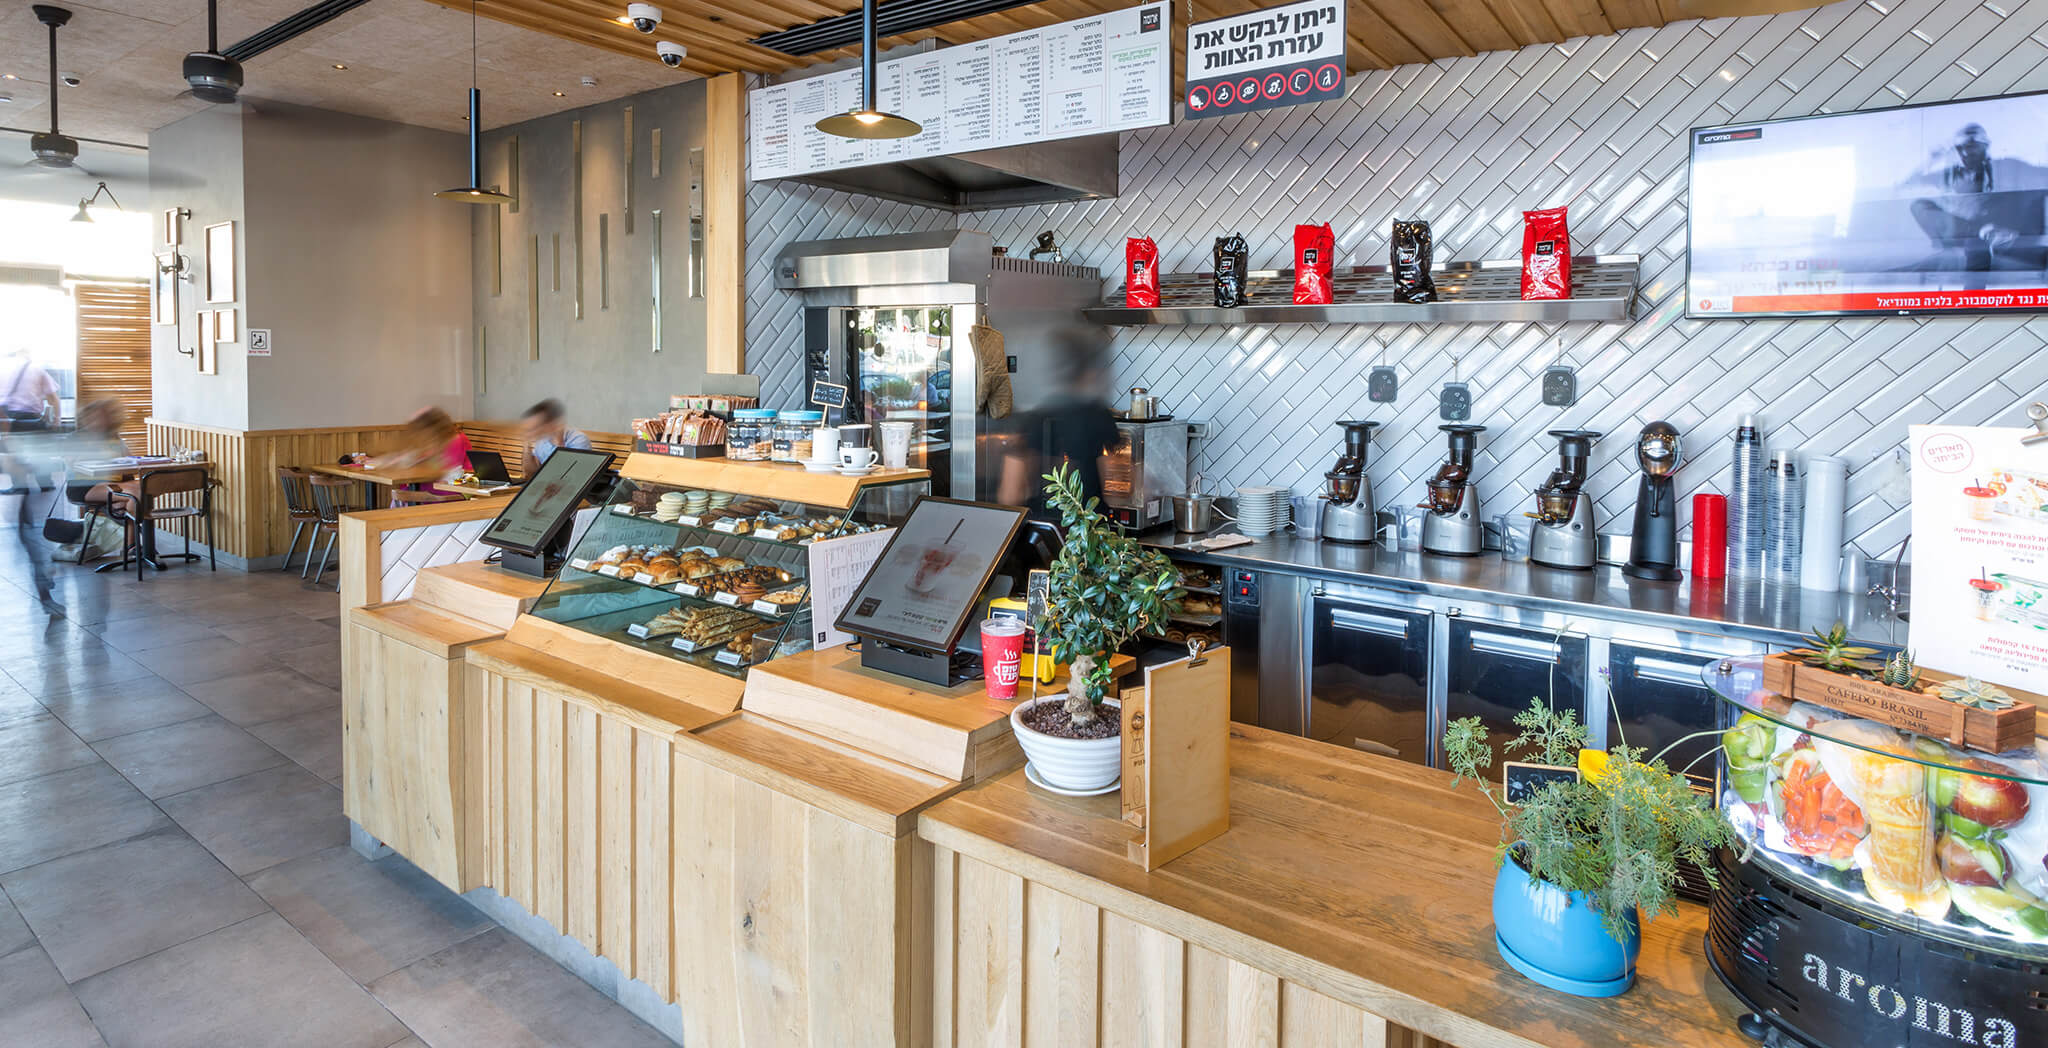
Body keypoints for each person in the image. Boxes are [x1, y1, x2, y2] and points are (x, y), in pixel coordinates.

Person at [996, 329, 1121, 518]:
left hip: (1043, 532)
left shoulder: (1034, 419)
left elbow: (1010, 495)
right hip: (1088, 532)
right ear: (1086, 369)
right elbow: (1115, 491)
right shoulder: (1098, 414)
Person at [519, 398, 591, 477]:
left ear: (550, 423)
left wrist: (559, 442)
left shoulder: (579, 440)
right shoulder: (542, 441)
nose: (533, 431)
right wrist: (526, 444)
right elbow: (530, 473)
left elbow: (567, 475)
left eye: (536, 427)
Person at [0, 350, 60, 434]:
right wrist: (56, 420)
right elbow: (53, 399)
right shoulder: (36, 369)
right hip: (30, 421)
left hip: (4, 420)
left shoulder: (2, 369)